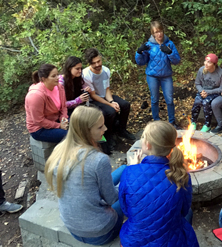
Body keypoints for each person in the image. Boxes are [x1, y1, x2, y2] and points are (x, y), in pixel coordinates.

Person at [44, 106, 126, 245]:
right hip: (99, 232)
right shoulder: (99, 160)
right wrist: (129, 183)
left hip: (72, 226)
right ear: (86, 132)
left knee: (124, 168)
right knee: (125, 195)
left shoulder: (59, 150)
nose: (105, 129)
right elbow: (112, 199)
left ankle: (127, 170)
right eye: (100, 127)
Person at [118, 121, 199, 247]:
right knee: (187, 215)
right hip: (171, 240)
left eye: (143, 137)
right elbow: (183, 210)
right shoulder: (182, 175)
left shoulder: (129, 172)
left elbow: (126, 210)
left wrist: (134, 169)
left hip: (134, 240)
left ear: (148, 145)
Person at [82, 48, 135, 148]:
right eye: (94, 63)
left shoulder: (106, 70)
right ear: (89, 63)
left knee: (124, 105)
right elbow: (93, 95)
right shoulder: (86, 75)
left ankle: (122, 130)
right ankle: (108, 135)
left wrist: (111, 101)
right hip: (94, 100)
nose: (97, 65)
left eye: (98, 61)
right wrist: (110, 104)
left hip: (104, 96)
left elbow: (107, 90)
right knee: (110, 111)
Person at [135, 21, 181, 128]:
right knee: (154, 99)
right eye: (156, 32)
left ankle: (172, 122)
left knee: (169, 99)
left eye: (160, 31)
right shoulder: (149, 45)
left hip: (166, 76)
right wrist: (139, 52)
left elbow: (176, 61)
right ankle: (156, 122)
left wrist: (169, 53)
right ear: (152, 33)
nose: (159, 34)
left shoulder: (169, 44)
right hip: (152, 76)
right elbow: (141, 62)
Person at [25, 64, 69, 143]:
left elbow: (64, 106)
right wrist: (59, 126)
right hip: (39, 129)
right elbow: (38, 121)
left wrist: (63, 118)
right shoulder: (35, 95)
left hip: (56, 120)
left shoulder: (59, 87)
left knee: (79, 125)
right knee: (70, 136)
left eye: (57, 74)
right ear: (43, 79)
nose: (58, 78)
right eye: (53, 76)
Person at [190, 53, 222, 132]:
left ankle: (207, 124)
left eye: (209, 62)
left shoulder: (220, 73)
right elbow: (197, 83)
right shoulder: (201, 70)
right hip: (203, 91)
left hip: (214, 93)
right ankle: (193, 122)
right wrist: (201, 91)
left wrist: (208, 92)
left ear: (214, 64)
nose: (205, 63)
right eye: (205, 61)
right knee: (197, 102)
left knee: (206, 102)